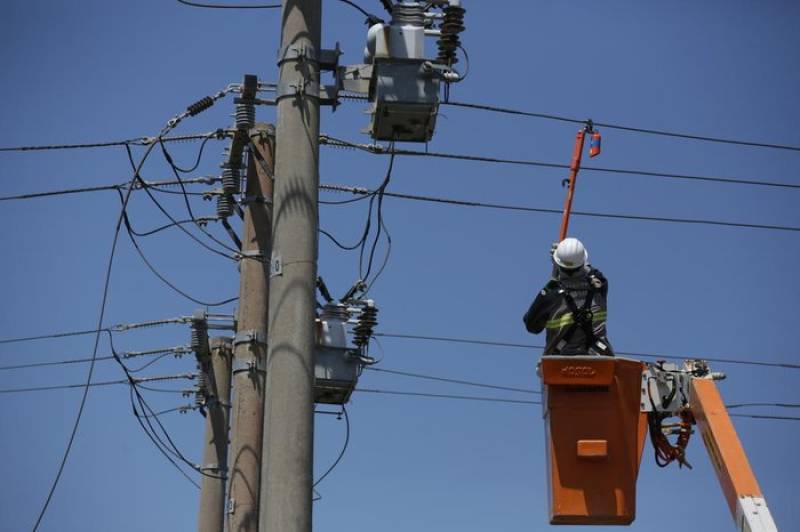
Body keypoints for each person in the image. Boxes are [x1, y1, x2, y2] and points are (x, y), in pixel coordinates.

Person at [523, 238, 613, 356]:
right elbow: (591, 271)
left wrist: (553, 278)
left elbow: (531, 326)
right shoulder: (599, 286)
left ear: (559, 265)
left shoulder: (552, 294)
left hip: (560, 363)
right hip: (598, 358)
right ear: (582, 263)